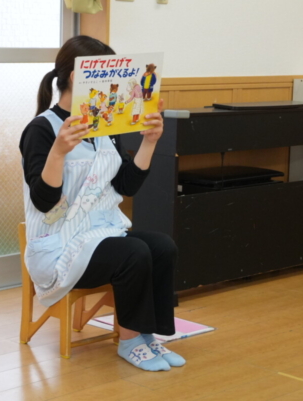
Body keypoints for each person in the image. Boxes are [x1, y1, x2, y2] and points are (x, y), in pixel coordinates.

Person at [19, 35, 185, 372]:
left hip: (99, 234)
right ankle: (129, 340)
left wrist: (149, 141)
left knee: (161, 246)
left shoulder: (105, 125)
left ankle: (147, 335)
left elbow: (125, 185)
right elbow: (43, 201)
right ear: (76, 77)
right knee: (133, 252)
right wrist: (58, 152)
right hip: (58, 246)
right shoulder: (41, 129)